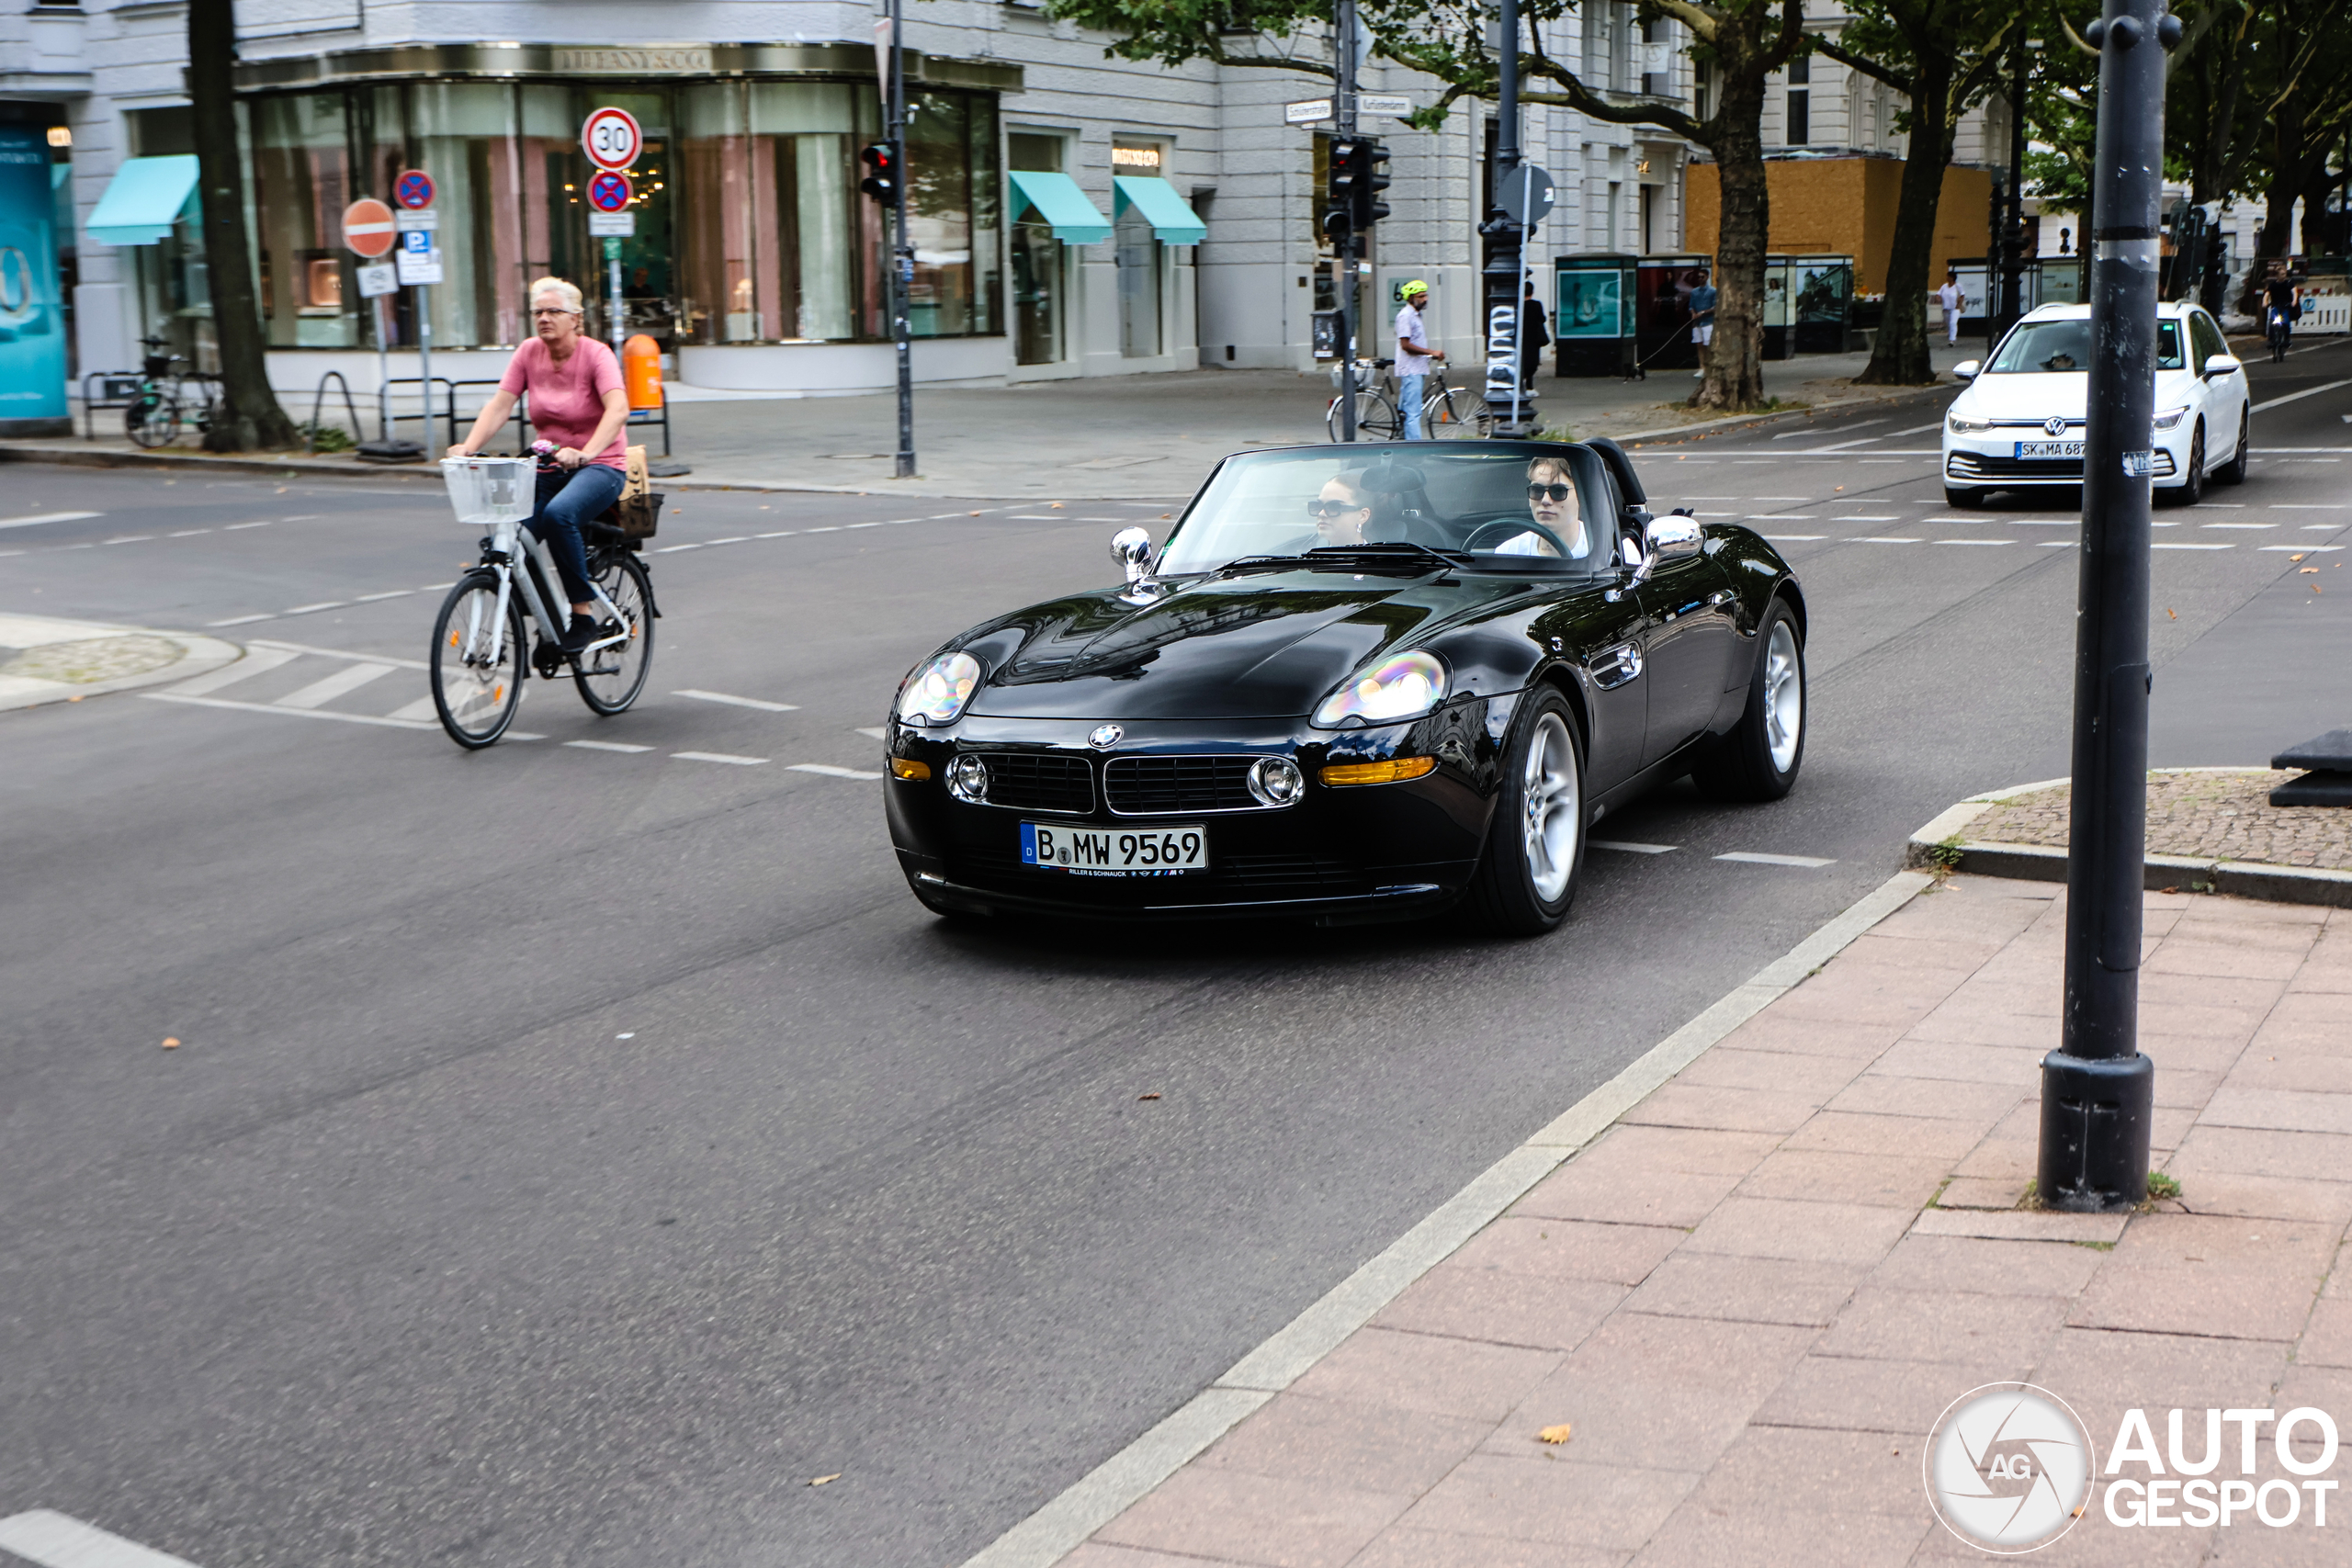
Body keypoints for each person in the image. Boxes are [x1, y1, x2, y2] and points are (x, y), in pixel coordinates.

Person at [448, 276, 630, 650]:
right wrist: (468, 447)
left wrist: (587, 452)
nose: (544, 318)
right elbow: (501, 404)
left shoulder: (597, 355)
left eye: (554, 311)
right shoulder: (529, 352)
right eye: (538, 312)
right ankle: (548, 618)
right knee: (508, 532)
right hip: (548, 465)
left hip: (601, 465)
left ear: (576, 319)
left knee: (558, 515)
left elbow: (618, 410)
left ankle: (581, 615)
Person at [1494, 455, 1584, 558]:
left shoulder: (1604, 553)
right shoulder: (1508, 553)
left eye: (1558, 491)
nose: (1545, 500)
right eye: (1536, 490)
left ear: (1581, 496)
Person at [1395, 281, 1443, 441]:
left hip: (1417, 368)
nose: (1425, 299)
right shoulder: (1405, 316)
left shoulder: (1416, 315)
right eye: (1421, 296)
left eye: (1425, 295)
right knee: (1413, 412)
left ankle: (1401, 440)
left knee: (1406, 411)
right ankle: (1414, 448)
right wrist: (1431, 352)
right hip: (1410, 369)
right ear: (1410, 298)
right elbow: (1406, 345)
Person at [2263, 264, 2301, 360]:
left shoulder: (2289, 283)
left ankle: (2287, 339)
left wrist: (2294, 301)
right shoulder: (2273, 285)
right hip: (2276, 307)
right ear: (2277, 275)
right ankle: (2271, 340)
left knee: (2286, 323)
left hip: (2286, 307)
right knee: (2272, 323)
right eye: (2282, 274)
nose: (2284, 276)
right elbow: (2267, 294)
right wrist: (2265, 302)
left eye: (2285, 274)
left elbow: (2294, 292)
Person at [1520, 279, 1550, 390]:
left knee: (1522, 359)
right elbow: (1542, 319)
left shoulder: (1519, 306)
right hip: (1534, 337)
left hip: (1522, 336)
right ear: (1532, 292)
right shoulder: (1536, 305)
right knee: (1532, 361)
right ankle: (1529, 386)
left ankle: (1521, 383)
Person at [1687, 271, 1717, 378]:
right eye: (1698, 277)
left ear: (1707, 277)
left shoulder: (1713, 291)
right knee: (1699, 344)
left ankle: (1710, 367)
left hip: (1708, 322)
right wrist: (1693, 313)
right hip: (1697, 323)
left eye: (1702, 277)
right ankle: (1702, 367)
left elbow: (1715, 307)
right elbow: (1691, 306)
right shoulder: (1694, 292)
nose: (1700, 279)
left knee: (1708, 345)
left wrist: (1703, 312)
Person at [1936, 269, 1966, 347]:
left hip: (1955, 308)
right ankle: (1951, 334)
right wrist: (1938, 298)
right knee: (1949, 324)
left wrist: (1959, 304)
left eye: (1948, 276)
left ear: (1952, 278)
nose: (1947, 278)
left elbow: (1962, 295)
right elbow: (1938, 294)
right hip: (1946, 308)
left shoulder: (1957, 286)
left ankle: (1952, 340)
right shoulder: (1944, 286)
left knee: (1953, 323)